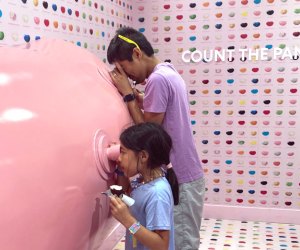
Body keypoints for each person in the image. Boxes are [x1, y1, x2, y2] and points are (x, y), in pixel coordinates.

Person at [107, 27, 205, 250]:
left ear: (137, 53)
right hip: (186, 173)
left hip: (179, 175)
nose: (127, 76)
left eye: (125, 68)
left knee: (179, 243)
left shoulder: (157, 79)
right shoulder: (168, 72)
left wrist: (128, 95)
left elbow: (149, 135)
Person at [110, 122, 179, 250]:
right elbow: (135, 204)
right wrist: (120, 168)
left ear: (143, 156)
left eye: (123, 152)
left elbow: (161, 245)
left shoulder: (157, 193)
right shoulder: (144, 181)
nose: (119, 158)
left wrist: (127, 220)